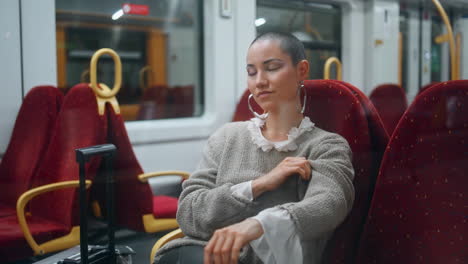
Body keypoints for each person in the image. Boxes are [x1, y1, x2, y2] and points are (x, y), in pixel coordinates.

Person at [154, 32, 355, 264]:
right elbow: (189, 213)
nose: (259, 81)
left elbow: (329, 204)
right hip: (199, 252)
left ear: (301, 70)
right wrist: (258, 185)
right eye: (251, 72)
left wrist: (258, 224)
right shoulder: (227, 137)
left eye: (271, 68)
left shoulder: (326, 145)